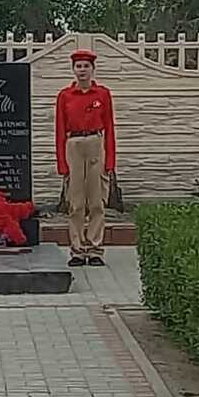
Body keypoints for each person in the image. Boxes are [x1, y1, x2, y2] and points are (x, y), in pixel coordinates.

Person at [55, 48, 116, 268]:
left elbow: (109, 127)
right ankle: (78, 250)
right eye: (78, 66)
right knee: (76, 202)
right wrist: (62, 162)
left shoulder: (102, 94)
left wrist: (110, 161)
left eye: (86, 66)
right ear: (73, 70)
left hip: (95, 143)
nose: (82, 71)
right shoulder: (65, 96)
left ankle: (96, 248)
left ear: (92, 69)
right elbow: (59, 129)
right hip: (73, 145)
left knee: (97, 201)